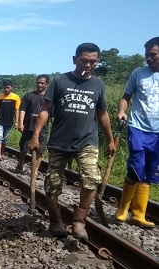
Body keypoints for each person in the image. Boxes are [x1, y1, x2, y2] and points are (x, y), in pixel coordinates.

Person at [28, 43, 115, 240]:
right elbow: (45, 110)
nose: (88, 65)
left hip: (87, 140)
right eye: (84, 61)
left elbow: (102, 114)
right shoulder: (60, 81)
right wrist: (35, 136)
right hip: (59, 141)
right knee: (53, 183)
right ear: (74, 59)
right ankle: (55, 219)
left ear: (97, 62)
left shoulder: (98, 85)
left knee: (91, 178)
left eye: (93, 61)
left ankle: (79, 220)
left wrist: (110, 140)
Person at [115, 37, 159, 228]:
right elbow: (126, 96)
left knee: (150, 170)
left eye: (153, 54)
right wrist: (121, 111)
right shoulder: (138, 73)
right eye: (147, 54)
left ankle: (139, 214)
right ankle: (123, 208)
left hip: (157, 133)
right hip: (138, 127)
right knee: (136, 166)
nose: (148, 58)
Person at [15, 75, 50, 178]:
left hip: (43, 129)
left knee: (40, 150)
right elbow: (23, 110)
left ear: (46, 84)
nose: (39, 84)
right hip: (28, 127)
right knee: (23, 148)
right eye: (38, 82)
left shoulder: (49, 98)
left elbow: (52, 114)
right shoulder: (29, 96)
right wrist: (20, 123)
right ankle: (21, 162)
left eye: (42, 83)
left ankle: (34, 171)